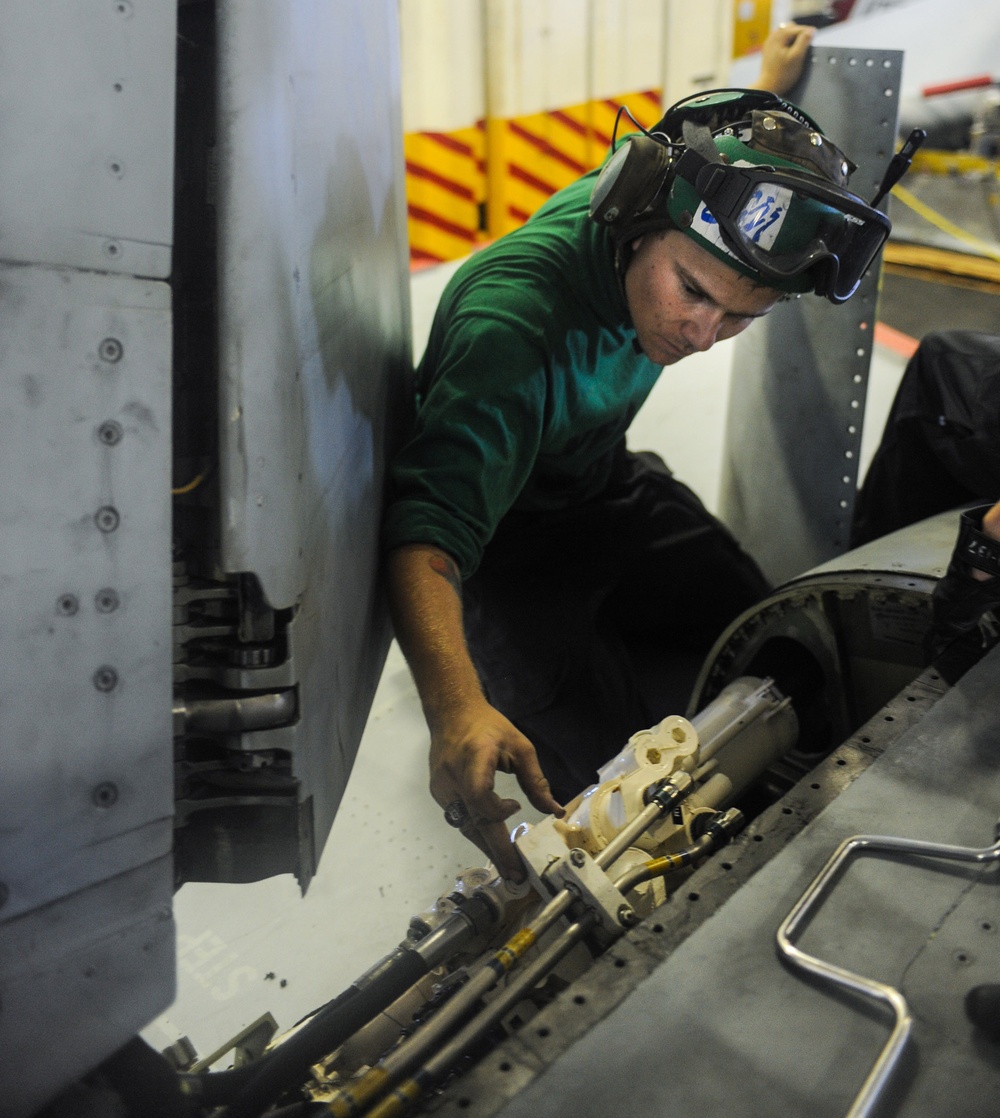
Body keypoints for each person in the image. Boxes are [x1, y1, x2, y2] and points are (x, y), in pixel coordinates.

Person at [383, 46, 893, 881]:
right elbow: (424, 538)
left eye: (739, 319)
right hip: (510, 553)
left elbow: (692, 144)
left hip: (605, 480)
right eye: (693, 293)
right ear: (633, 221)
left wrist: (770, 85)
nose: (701, 336)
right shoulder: (512, 329)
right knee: (631, 786)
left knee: (781, 638)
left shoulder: (673, 195)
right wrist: (454, 705)